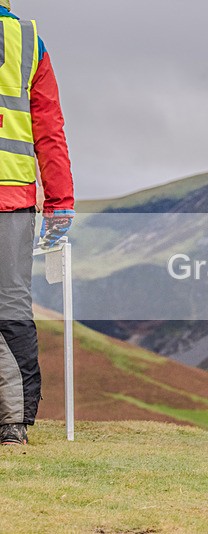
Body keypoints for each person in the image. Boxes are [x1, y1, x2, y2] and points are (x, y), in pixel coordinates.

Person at [0, 0, 74, 446]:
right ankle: (15, 424)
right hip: (14, 194)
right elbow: (49, 126)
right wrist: (60, 200)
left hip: (13, 195)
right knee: (11, 305)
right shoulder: (28, 41)